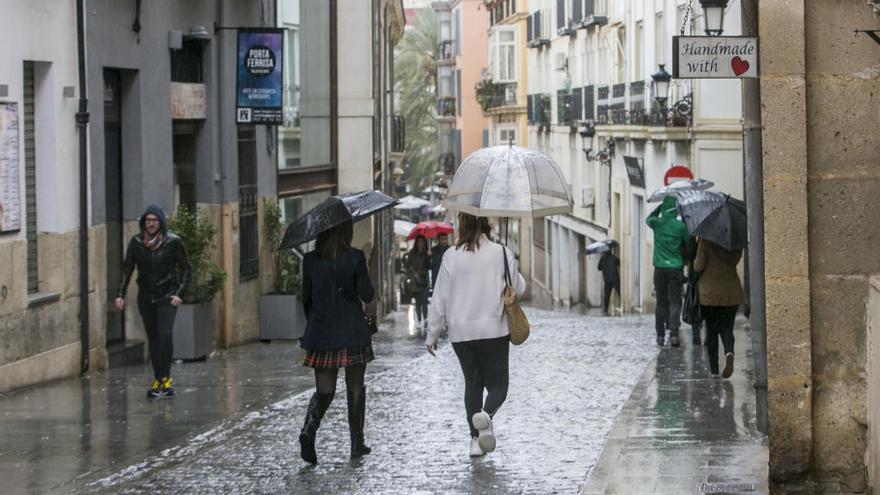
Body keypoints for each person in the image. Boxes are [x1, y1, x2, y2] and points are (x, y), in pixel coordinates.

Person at [426, 213, 526, 458]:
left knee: (473, 384)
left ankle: (474, 439)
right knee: (499, 385)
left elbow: (440, 298)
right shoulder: (501, 253)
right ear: (486, 224)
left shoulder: (450, 256)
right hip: (494, 329)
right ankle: (486, 416)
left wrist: (432, 334)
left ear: (463, 225)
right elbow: (519, 288)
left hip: (461, 332)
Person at [298, 220, 375, 464]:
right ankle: (356, 443)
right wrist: (366, 267)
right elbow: (368, 294)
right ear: (346, 231)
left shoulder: (310, 260)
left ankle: (308, 430)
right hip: (352, 332)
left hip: (322, 333)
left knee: (325, 391)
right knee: (355, 388)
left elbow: (306, 299)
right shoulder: (355, 257)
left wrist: (317, 322)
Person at [115, 205, 191, 399]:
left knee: (165, 335)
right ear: (143, 223)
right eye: (148, 220)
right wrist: (120, 294)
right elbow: (127, 269)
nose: (151, 224)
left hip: (167, 296)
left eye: (154, 220)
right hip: (146, 297)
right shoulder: (136, 243)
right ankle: (158, 378)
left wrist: (179, 293)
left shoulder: (173, 242)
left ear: (161, 223)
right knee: (154, 338)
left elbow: (186, 268)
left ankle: (166, 378)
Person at [694, 239, 743, 378]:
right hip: (731, 292)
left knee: (711, 330)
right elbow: (735, 260)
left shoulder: (705, 241)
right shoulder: (734, 242)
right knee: (727, 327)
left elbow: (698, 266)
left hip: (710, 294)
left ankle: (714, 370)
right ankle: (729, 352)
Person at [646, 195, 690, 347]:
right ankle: (674, 335)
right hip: (675, 268)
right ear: (675, 209)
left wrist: (659, 209)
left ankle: (659, 336)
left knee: (661, 303)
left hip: (659, 268)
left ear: (664, 208)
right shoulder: (680, 227)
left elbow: (648, 219)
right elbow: (688, 244)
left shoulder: (657, 223)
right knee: (675, 302)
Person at [406, 235, 431, 330]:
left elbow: (429, 266)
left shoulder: (427, 253)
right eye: (419, 241)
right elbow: (407, 265)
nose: (420, 243)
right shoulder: (412, 252)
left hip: (424, 279)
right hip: (415, 280)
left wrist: (429, 256)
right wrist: (410, 275)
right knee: (417, 302)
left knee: (424, 301)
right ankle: (419, 321)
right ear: (416, 242)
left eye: (422, 241)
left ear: (425, 243)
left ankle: (425, 320)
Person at [597, 247, 620, 316]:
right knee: (620, 292)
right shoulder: (614, 258)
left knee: (607, 295)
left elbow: (599, 268)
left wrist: (604, 267)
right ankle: (623, 306)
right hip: (615, 279)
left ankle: (605, 310)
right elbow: (619, 263)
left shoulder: (602, 258)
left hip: (607, 280)